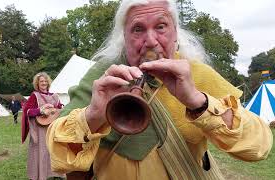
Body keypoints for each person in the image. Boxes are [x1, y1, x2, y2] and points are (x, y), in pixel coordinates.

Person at [46, 0, 273, 179]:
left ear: (175, 33)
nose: (151, 41)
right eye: (137, 29)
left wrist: (197, 100)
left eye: (161, 26)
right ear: (124, 37)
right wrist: (93, 115)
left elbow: (258, 147)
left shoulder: (196, 73)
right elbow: (58, 157)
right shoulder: (103, 76)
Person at [21, 72, 65, 180]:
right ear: (37, 83)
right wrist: (40, 110)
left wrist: (58, 109)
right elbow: (28, 111)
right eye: (41, 81)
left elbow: (60, 110)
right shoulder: (34, 95)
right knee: (41, 152)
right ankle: (38, 175)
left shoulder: (55, 96)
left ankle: (56, 174)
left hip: (53, 128)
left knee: (53, 150)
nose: (44, 83)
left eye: (45, 81)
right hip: (40, 129)